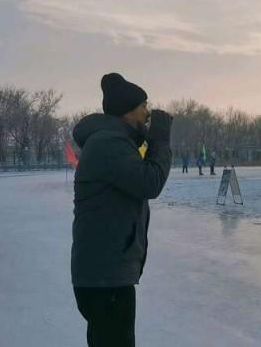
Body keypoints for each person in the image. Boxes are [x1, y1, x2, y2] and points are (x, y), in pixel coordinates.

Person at [71, 73, 172, 347]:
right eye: (143, 106)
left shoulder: (112, 141)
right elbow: (149, 182)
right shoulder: (109, 144)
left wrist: (149, 142)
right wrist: (160, 141)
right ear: (128, 111)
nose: (147, 112)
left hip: (105, 274)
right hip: (106, 278)